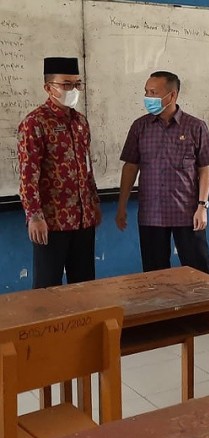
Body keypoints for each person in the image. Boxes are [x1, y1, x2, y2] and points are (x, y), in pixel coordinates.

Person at [117, 71, 209, 273]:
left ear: (172, 96)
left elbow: (205, 169)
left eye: (153, 92)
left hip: (187, 212)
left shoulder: (195, 127)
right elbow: (130, 167)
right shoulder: (140, 127)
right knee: (155, 275)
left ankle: (206, 306)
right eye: (146, 91)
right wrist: (122, 206)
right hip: (151, 213)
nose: (148, 97)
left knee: (198, 270)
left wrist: (202, 206)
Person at [18, 57, 101, 289]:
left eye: (77, 84)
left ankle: (85, 326)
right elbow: (28, 174)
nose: (73, 90)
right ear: (48, 87)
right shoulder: (35, 123)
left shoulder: (80, 122)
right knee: (47, 288)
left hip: (83, 219)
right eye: (66, 84)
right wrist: (34, 215)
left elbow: (86, 167)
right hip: (51, 222)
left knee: (85, 285)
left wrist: (94, 203)